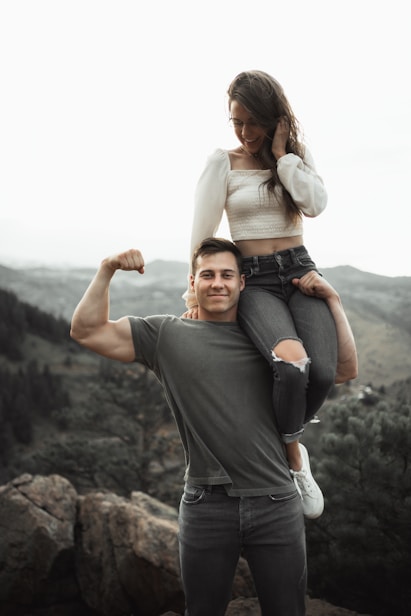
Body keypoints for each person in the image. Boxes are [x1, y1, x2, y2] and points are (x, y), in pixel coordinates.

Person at [70, 237, 358, 616]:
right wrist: (107, 268)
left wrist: (333, 302)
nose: (217, 283)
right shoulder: (166, 335)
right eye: (207, 275)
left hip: (276, 501)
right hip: (206, 507)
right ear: (193, 283)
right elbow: (87, 331)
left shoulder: (271, 342)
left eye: (227, 275)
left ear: (243, 283)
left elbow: (341, 371)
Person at [183, 69, 347, 517]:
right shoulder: (223, 162)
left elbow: (315, 205)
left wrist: (283, 156)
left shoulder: (294, 157)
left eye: (254, 121)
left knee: (324, 373)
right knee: (292, 367)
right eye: (237, 121)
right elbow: (202, 235)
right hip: (254, 280)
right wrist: (194, 293)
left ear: (274, 119)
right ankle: (293, 456)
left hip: (300, 272)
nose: (245, 132)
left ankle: (284, 438)